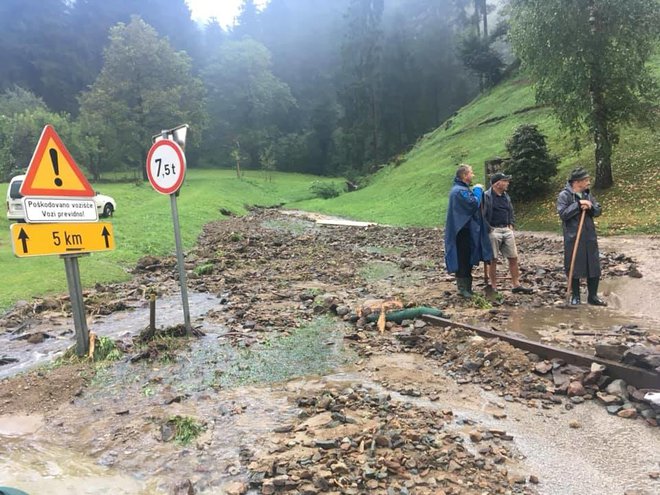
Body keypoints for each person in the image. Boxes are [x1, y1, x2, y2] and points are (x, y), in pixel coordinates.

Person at [557, 167, 606, 306]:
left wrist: (590, 206)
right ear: (577, 182)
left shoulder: (587, 194)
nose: (588, 182)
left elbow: (598, 210)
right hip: (573, 236)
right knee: (574, 265)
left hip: (589, 235)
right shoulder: (564, 196)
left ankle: (593, 296)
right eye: (586, 180)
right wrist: (578, 205)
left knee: (593, 265)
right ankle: (576, 296)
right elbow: (563, 214)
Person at [444, 164, 493, 297]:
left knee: (468, 257)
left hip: (467, 230)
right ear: (464, 175)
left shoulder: (461, 189)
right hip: (461, 231)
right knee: (463, 259)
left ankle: (468, 288)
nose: (473, 175)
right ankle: (463, 288)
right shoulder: (459, 191)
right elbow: (472, 204)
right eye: (471, 173)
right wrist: (477, 190)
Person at [482, 172, 534, 294]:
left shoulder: (506, 196)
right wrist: (489, 229)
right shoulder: (486, 197)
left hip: (506, 229)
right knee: (493, 259)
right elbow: (481, 215)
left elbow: (510, 210)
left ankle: (516, 284)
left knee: (513, 257)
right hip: (493, 230)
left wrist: (511, 223)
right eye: (505, 181)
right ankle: (493, 286)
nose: (507, 183)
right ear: (497, 183)